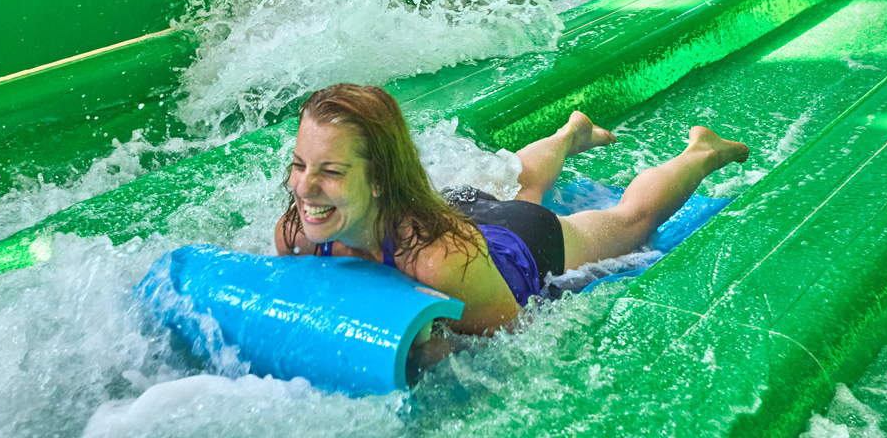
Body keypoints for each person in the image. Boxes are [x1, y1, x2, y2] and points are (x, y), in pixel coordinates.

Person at [273, 84, 748, 337]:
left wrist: (435, 346)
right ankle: (568, 135)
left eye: (331, 172)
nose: (305, 188)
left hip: (516, 247)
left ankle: (701, 152)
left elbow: (519, 336)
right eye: (299, 165)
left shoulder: (443, 263)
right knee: (516, 182)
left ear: (379, 179)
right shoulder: (298, 231)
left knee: (631, 221)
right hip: (451, 212)